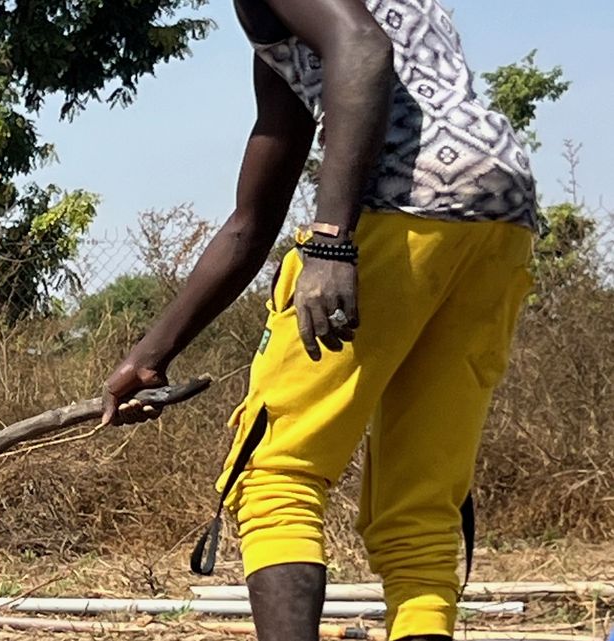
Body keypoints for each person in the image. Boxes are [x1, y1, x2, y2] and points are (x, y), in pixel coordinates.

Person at [99, 1, 537, 640]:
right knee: (418, 502)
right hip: (498, 208)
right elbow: (252, 220)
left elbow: (363, 46)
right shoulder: (287, 38)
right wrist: (151, 355)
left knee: (275, 474)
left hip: (398, 203)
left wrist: (330, 244)